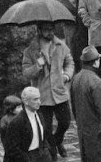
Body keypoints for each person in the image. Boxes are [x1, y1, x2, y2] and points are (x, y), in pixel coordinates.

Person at [22, 22, 75, 159]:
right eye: (46, 30)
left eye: (52, 30)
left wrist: (67, 75)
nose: (50, 33)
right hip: (42, 96)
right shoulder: (30, 51)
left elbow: (70, 62)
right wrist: (37, 66)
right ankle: (52, 155)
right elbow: (26, 72)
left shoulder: (60, 46)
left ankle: (56, 142)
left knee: (65, 122)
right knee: (46, 129)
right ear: (39, 31)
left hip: (59, 93)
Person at [71, 46, 101, 162]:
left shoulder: (76, 78)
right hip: (97, 133)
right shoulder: (96, 81)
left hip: (83, 132)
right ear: (95, 62)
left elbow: (73, 107)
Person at [2, 87, 53, 162]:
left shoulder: (40, 115)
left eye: (39, 98)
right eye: (35, 99)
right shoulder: (17, 121)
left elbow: (44, 136)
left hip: (42, 154)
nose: (39, 102)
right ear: (26, 102)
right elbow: (12, 148)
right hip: (27, 156)